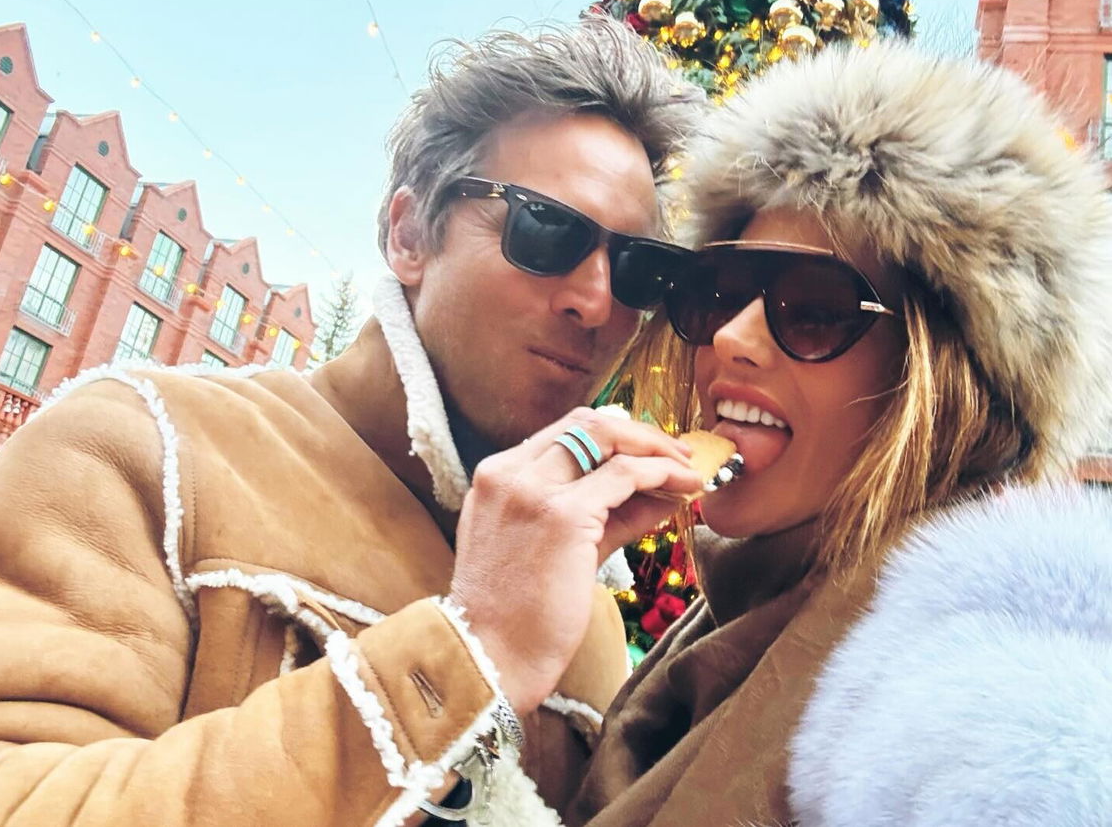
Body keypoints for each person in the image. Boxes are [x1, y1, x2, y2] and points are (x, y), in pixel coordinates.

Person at [0, 16, 707, 827]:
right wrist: (469, 651)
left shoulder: (592, 615)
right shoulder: (143, 446)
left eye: (638, 269)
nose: (598, 301)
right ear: (409, 234)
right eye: (547, 231)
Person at [447, 40, 1112, 826]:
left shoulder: (992, 713)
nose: (731, 336)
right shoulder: (720, 634)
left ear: (950, 394)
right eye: (718, 292)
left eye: (815, 308)